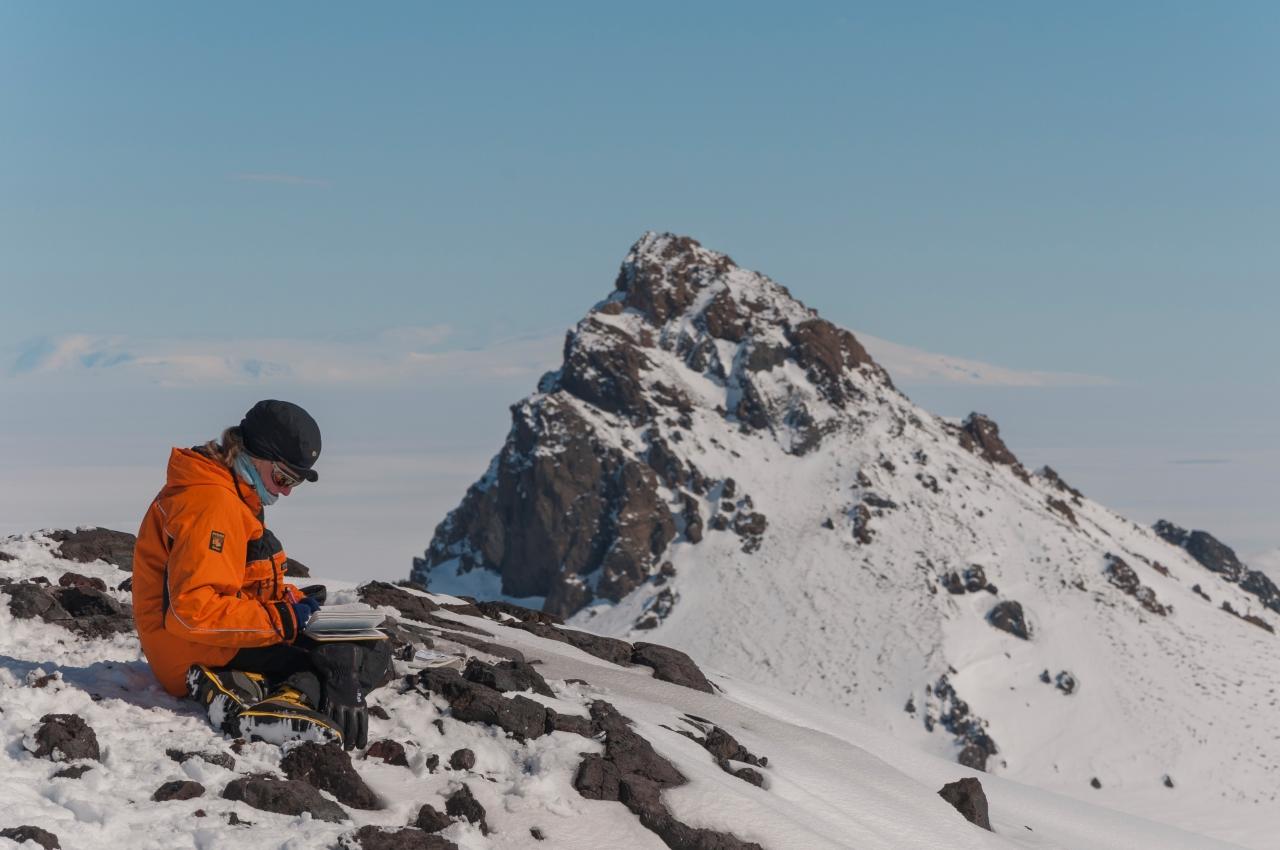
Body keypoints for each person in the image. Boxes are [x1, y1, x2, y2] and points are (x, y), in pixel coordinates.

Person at [132, 400, 387, 749]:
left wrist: (291, 604)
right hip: (191, 652)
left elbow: (234, 581)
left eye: (293, 483)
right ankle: (282, 703)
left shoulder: (232, 493)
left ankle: (246, 686)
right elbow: (190, 612)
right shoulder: (213, 503)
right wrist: (280, 620)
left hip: (212, 640)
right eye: (283, 477)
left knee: (371, 646)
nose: (284, 491)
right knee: (337, 663)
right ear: (255, 455)